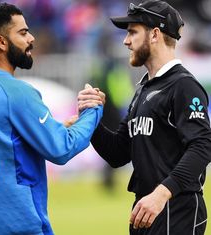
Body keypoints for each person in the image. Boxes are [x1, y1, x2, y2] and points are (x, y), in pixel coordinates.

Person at [78, 0, 211, 234]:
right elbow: (118, 153)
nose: (125, 41)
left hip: (176, 212)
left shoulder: (184, 86)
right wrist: (90, 121)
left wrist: (161, 194)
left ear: (155, 34)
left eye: (132, 32)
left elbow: (202, 145)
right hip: (145, 211)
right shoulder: (143, 89)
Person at [0, 3, 103, 235]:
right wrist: (92, 109)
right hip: (19, 225)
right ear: (1, 42)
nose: (32, 38)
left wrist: (55, 128)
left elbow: (3, 141)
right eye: (23, 33)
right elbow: (62, 148)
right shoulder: (16, 92)